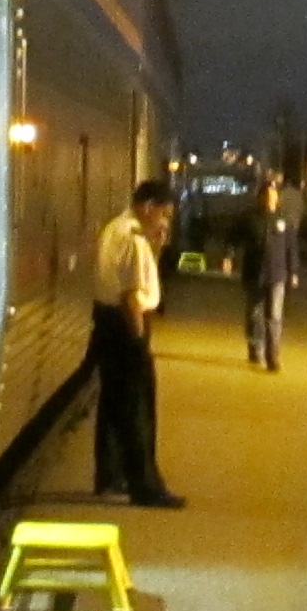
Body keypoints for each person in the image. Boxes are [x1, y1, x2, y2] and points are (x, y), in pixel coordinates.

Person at [89, 178, 185, 507]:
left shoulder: (115, 228)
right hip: (127, 324)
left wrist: (157, 245)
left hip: (105, 323)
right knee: (138, 410)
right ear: (148, 207)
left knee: (112, 404)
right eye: (164, 214)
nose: (166, 222)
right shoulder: (133, 240)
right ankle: (145, 486)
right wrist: (139, 339)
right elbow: (132, 295)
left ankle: (109, 476)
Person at [237, 174, 299, 370]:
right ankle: (256, 348)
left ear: (277, 198)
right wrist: (228, 256)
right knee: (255, 315)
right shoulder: (250, 218)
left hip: (277, 274)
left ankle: (273, 357)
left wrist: (293, 271)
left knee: (274, 316)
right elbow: (234, 238)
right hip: (254, 273)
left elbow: (291, 247)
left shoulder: (284, 220)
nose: (270, 199)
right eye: (266, 196)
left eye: (273, 196)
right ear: (260, 198)